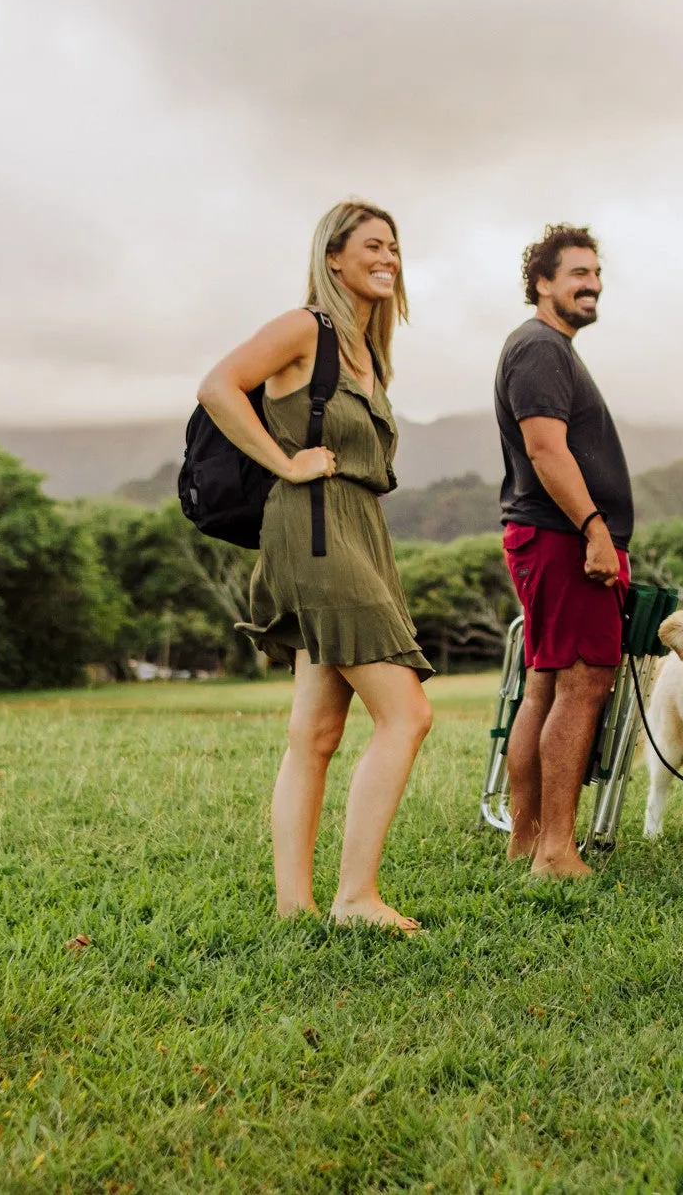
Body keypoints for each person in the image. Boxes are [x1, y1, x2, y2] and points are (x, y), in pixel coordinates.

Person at [196, 199, 433, 933]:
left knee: (317, 733)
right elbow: (218, 385)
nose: (387, 255)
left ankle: (294, 906)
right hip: (317, 529)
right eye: (371, 244)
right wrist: (283, 462)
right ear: (334, 256)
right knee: (407, 714)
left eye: (393, 246)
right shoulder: (308, 328)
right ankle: (355, 896)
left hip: (358, 528)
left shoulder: (368, 350)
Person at [495, 224, 634, 880]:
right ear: (542, 282)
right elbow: (546, 448)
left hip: (551, 537)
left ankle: (529, 842)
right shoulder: (540, 349)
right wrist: (594, 527)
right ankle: (554, 850)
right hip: (561, 538)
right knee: (583, 682)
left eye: (597, 273)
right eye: (578, 272)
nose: (593, 283)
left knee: (546, 687)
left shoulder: (549, 349)